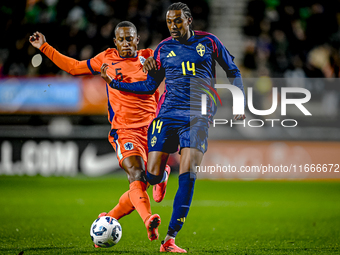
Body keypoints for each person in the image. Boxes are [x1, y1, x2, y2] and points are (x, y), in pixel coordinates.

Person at [101, 2, 246, 253]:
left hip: (197, 116)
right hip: (166, 115)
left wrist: (239, 102)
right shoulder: (163, 48)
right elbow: (148, 86)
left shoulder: (210, 42)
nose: (173, 26)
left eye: (177, 21)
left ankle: (169, 238)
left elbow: (233, 71)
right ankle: (155, 182)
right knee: (151, 176)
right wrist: (116, 84)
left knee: (189, 175)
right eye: (169, 22)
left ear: (188, 20)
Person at [29, 21, 172, 243]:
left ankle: (157, 179)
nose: (126, 43)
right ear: (115, 42)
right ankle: (148, 221)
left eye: (130, 38)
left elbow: (166, 78)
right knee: (136, 176)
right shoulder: (106, 58)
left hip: (153, 130)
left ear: (137, 39)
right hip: (125, 131)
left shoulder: (150, 57)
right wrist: (44, 47)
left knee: (147, 180)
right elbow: (74, 67)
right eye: (121, 39)